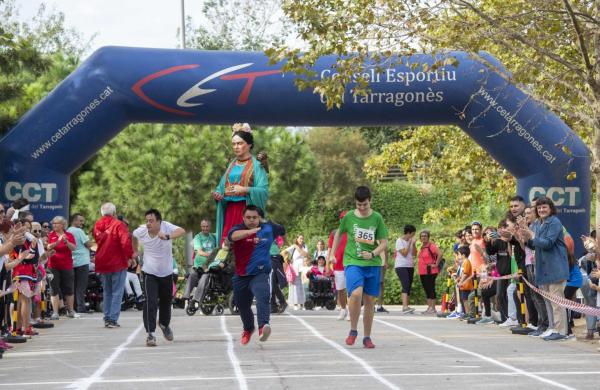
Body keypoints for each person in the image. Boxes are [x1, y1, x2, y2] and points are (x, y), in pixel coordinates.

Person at [329, 186, 388, 349]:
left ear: (370, 201)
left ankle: (367, 337)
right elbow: (338, 234)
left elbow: (384, 242)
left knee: (369, 300)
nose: (362, 208)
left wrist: (373, 254)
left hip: (372, 264)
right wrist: (332, 254)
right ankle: (353, 330)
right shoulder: (348, 217)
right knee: (355, 294)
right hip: (353, 261)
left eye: (365, 205)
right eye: (359, 205)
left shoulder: (377, 218)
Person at [228, 205, 285, 345]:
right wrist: (252, 231)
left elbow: (282, 230)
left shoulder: (269, 227)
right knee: (242, 305)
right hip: (241, 275)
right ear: (243, 218)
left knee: (263, 297)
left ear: (259, 217)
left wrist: (281, 240)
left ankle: (263, 327)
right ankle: (248, 329)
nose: (251, 220)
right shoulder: (237, 228)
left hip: (261, 273)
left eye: (254, 217)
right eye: (248, 217)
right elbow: (233, 237)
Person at [133, 209, 185, 347]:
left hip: (166, 273)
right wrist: (135, 252)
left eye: (151, 221)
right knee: (150, 302)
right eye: (147, 221)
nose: (148, 223)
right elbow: (133, 235)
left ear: (159, 222)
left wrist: (167, 236)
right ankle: (150, 333)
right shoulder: (141, 231)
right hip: (149, 272)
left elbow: (182, 231)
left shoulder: (166, 226)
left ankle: (164, 324)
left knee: (166, 302)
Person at [520, 196, 569, 341]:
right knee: (549, 301)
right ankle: (553, 328)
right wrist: (524, 233)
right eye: (539, 208)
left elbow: (548, 243)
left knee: (557, 301)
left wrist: (532, 235)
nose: (541, 210)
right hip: (542, 268)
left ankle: (561, 331)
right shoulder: (538, 223)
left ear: (551, 208)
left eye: (544, 207)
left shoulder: (554, 222)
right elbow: (532, 244)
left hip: (556, 267)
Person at [212, 123, 269, 245]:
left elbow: (263, 191)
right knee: (227, 246)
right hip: (230, 211)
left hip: (247, 211)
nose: (236, 147)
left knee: (245, 245)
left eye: (239, 143)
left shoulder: (258, 166)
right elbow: (221, 187)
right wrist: (218, 195)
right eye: (233, 144)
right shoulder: (231, 165)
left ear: (249, 144)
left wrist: (245, 189)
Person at [93, 203, 134, 328]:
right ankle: (112, 319)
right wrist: (130, 256)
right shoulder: (118, 224)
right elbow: (125, 242)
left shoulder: (97, 224)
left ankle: (107, 317)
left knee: (107, 291)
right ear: (114, 213)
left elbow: (98, 240)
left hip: (102, 261)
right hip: (117, 261)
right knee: (117, 291)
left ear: (101, 213)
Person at [47, 216, 78, 320]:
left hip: (67, 265)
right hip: (53, 266)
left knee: (69, 288)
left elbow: (73, 248)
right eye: (53, 223)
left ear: (63, 225)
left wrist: (66, 242)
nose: (54, 225)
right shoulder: (50, 235)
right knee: (54, 288)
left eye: (57, 223)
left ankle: (71, 311)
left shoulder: (69, 235)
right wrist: (57, 241)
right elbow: (48, 246)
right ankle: (55, 312)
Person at [183, 219, 217, 304]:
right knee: (192, 276)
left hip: (209, 266)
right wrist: (211, 255)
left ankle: (196, 299)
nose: (205, 228)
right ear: (201, 226)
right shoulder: (198, 237)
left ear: (210, 227)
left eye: (207, 226)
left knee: (204, 278)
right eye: (203, 226)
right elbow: (200, 252)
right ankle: (185, 296)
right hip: (199, 265)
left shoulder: (213, 237)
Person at [67, 214, 93, 313]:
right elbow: (88, 244)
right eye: (80, 221)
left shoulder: (68, 231)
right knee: (81, 287)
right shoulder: (79, 231)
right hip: (82, 261)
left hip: (72, 261)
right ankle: (81, 307)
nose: (82, 223)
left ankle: (72, 307)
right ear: (74, 221)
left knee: (73, 286)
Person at [328, 211, 349, 320]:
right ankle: (343, 309)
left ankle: (350, 311)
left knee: (351, 288)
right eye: (343, 218)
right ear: (340, 220)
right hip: (338, 265)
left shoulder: (352, 232)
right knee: (340, 289)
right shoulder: (335, 233)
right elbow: (330, 249)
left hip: (350, 263)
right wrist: (328, 266)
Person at [394, 224, 417, 314]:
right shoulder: (399, 241)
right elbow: (404, 253)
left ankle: (407, 306)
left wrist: (414, 245)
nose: (413, 236)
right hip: (401, 266)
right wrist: (409, 243)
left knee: (409, 285)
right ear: (408, 233)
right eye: (412, 234)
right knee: (405, 284)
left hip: (410, 266)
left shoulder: (410, 242)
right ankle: (404, 307)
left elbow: (414, 254)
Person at [417, 230, 441, 315]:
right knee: (426, 289)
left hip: (431, 271)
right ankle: (429, 307)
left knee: (431, 288)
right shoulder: (422, 247)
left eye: (425, 236)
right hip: (423, 272)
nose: (423, 237)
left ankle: (433, 308)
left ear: (428, 237)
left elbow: (440, 254)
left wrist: (436, 264)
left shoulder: (431, 246)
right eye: (422, 236)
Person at [286, 235, 308, 310]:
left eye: (302, 238)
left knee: (302, 286)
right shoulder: (293, 247)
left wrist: (297, 247)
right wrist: (287, 260)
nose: (301, 239)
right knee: (294, 286)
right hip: (294, 268)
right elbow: (283, 252)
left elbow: (305, 255)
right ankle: (295, 304)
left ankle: (302, 304)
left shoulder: (305, 246)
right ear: (297, 239)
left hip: (302, 268)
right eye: (300, 238)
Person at [270, 236, 287, 313]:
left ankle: (282, 301)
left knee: (272, 282)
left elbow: (281, 241)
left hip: (274, 257)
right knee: (270, 282)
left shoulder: (272, 231)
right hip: (267, 257)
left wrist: (279, 245)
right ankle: (273, 306)